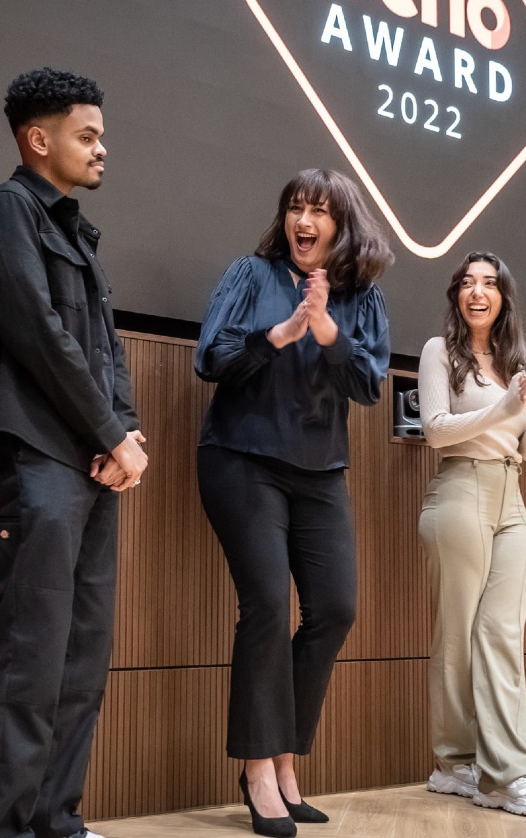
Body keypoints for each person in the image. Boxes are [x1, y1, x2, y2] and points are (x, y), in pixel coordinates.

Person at [0, 68, 146, 838]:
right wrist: (106, 432)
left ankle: (55, 820)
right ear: (39, 139)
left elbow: (105, 348)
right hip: (39, 460)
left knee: (81, 659)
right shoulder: (6, 212)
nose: (103, 149)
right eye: (87, 135)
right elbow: (39, 335)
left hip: (94, 465)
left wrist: (125, 433)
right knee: (27, 661)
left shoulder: (75, 229)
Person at [195, 169, 393, 837]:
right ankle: (258, 770)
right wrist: (280, 334)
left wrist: (329, 332)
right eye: (294, 208)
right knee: (268, 607)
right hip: (241, 460)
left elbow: (370, 385)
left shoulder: (362, 299)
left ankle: (284, 757)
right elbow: (211, 358)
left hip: (320, 472)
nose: (303, 220)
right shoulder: (250, 275)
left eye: (318, 210)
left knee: (335, 610)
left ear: (341, 224)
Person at [416, 251, 526, 817]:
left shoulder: (515, 360)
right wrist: (507, 407)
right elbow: (436, 432)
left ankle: (510, 774)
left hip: (512, 495)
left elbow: (523, 450)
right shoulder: (440, 352)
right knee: (457, 636)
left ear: (504, 297)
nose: (477, 291)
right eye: (467, 283)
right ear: (456, 296)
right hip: (460, 490)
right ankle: (453, 764)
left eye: (489, 283)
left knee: (502, 636)